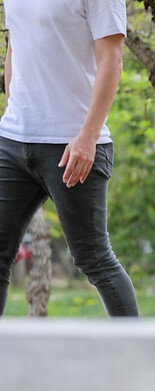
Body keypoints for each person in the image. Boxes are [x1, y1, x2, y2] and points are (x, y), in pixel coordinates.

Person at [0, 0, 139, 317]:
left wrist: (88, 136)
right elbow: (15, 44)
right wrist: (13, 112)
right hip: (13, 141)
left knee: (94, 259)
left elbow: (112, 57)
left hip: (73, 146)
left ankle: (135, 347)